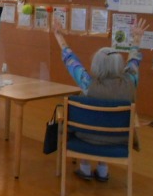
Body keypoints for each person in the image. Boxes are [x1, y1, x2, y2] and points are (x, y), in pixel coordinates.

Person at [53, 17, 148, 182]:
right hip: (118, 139)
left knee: (91, 117)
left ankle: (85, 168)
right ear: (119, 65)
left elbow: (71, 61)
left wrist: (59, 36)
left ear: (96, 65)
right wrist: (136, 40)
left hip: (86, 137)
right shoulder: (130, 82)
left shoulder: (88, 84)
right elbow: (134, 62)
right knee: (107, 121)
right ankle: (103, 171)